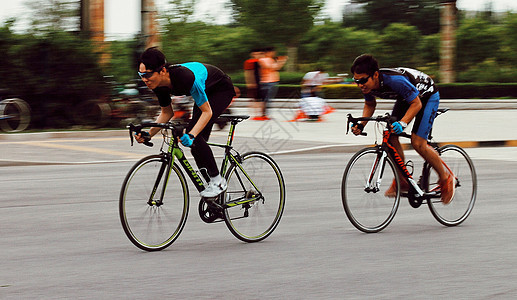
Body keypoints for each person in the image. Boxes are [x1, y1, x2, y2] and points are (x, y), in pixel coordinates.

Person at [350, 54, 455, 204]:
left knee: (418, 143)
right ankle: (403, 181)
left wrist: (403, 123)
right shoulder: (367, 85)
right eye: (356, 81)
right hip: (407, 98)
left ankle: (445, 178)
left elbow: (417, 104)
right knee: (391, 137)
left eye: (363, 80)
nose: (360, 85)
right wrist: (361, 125)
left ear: (375, 75)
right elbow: (370, 105)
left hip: (426, 97)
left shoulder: (394, 81)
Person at [135, 47, 235, 198]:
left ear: (162, 71)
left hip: (220, 89)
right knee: (196, 147)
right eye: (141, 75)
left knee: (195, 136)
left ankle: (218, 182)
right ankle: (218, 193)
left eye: (147, 75)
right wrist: (149, 134)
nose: (144, 79)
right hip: (205, 91)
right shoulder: (157, 85)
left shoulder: (185, 77)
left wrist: (192, 134)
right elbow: (167, 113)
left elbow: (207, 112)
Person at [255, 47, 288, 120]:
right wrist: (281, 61)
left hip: (271, 81)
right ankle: (263, 114)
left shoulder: (270, 60)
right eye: (272, 52)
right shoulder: (263, 60)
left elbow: (276, 67)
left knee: (267, 99)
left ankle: (264, 114)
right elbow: (273, 68)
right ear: (268, 52)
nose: (274, 54)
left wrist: (280, 62)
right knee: (266, 99)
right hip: (268, 82)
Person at [243, 48, 263, 117]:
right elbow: (248, 72)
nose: (257, 55)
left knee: (259, 98)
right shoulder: (249, 62)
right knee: (254, 98)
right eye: (256, 54)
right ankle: (254, 113)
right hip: (254, 82)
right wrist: (250, 82)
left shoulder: (260, 61)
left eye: (259, 54)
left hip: (260, 81)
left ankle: (259, 113)